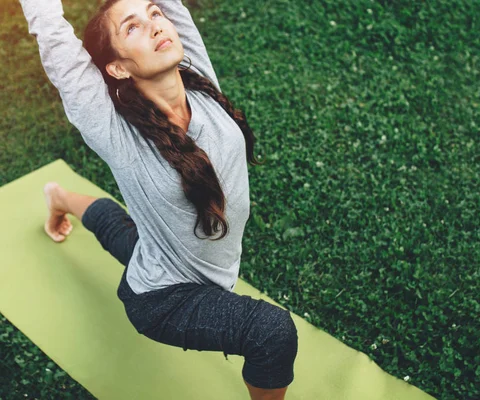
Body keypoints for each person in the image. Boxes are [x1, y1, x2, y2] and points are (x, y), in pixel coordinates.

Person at [19, 0, 298, 398]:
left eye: (154, 13)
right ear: (117, 67)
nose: (154, 26)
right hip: (164, 299)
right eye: (131, 28)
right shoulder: (116, 132)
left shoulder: (198, 78)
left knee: (127, 235)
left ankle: (58, 196)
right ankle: (62, 199)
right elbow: (53, 36)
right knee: (270, 333)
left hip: (163, 255)